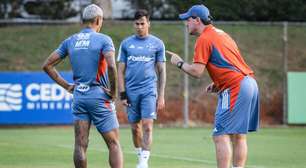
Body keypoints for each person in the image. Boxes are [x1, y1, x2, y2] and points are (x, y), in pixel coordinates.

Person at [166, 4, 259, 168]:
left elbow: (196, 71)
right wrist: (218, 83)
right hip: (249, 83)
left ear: (196, 20)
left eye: (187, 20)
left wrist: (179, 62)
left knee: (220, 135)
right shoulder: (221, 33)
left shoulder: (204, 38)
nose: (186, 23)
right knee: (239, 136)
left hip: (235, 87)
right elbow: (231, 62)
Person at [42, 4, 123, 168]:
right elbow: (112, 66)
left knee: (80, 144)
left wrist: (67, 86)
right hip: (99, 97)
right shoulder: (104, 39)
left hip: (79, 96)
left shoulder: (70, 41)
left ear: (83, 20)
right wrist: (113, 92)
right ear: (98, 20)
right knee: (114, 143)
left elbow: (47, 65)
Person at [117, 9, 166, 168]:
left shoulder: (157, 44)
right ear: (134, 24)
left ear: (148, 24)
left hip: (149, 91)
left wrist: (161, 95)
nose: (139, 27)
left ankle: (144, 162)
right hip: (131, 92)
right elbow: (120, 70)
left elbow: (162, 70)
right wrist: (122, 93)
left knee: (147, 125)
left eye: (142, 23)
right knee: (135, 128)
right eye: (137, 24)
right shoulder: (126, 44)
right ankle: (140, 156)